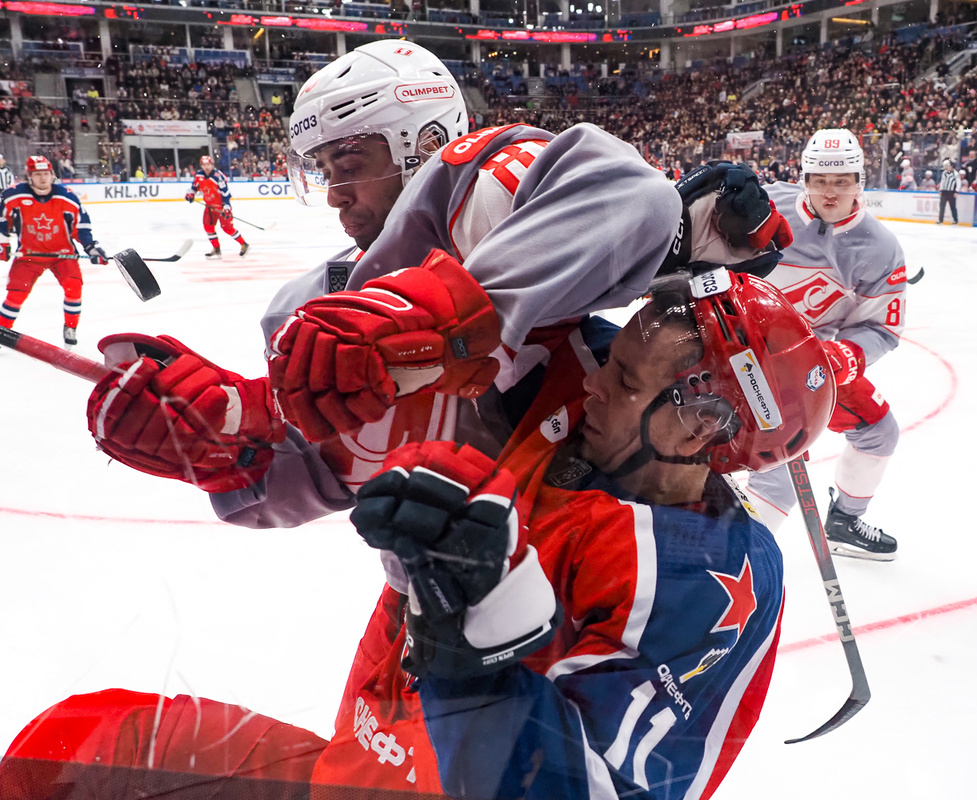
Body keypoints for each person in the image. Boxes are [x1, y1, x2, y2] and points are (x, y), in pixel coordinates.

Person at [4, 269, 836, 800]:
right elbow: (566, 213)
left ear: (695, 429)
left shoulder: (708, 574)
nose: (596, 382)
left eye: (622, 379)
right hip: (354, 768)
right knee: (65, 752)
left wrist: (477, 645)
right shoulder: (573, 409)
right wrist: (243, 418)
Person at [83, 39, 791, 530]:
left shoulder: (475, 186)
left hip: (606, 593)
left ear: (420, 142)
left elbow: (623, 200)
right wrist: (234, 440)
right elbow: (338, 478)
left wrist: (696, 237)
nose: (335, 194)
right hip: (447, 626)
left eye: (349, 161)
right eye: (323, 169)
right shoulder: (311, 312)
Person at [750, 129, 905, 560]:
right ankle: (732, 565)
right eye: (820, 179)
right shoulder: (765, 206)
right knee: (776, 481)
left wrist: (846, 356)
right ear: (804, 178)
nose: (830, 191)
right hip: (736, 353)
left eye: (841, 181)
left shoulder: (879, 248)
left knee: (878, 432)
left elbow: (881, 328)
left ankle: (844, 522)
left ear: (860, 180)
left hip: (809, 366)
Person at [0, 155, 106, 346]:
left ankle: (71, 328)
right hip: (29, 255)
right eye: (37, 174)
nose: (42, 178)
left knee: (73, 288)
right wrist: (3, 244)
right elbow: (2, 221)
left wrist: (91, 247)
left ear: (52, 175)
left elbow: (81, 226)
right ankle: (1, 331)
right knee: (15, 294)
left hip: (63, 255)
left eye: (46, 173)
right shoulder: (14, 195)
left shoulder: (67, 197)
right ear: (29, 176)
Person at [185, 154, 249, 259]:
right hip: (209, 207)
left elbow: (226, 193)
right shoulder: (199, 175)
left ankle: (243, 244)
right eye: (204, 164)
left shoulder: (218, 177)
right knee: (208, 227)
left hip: (221, 207)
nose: (206, 167)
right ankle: (216, 248)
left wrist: (226, 207)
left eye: (208, 164)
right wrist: (191, 194)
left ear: (212, 164)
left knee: (227, 229)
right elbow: (194, 187)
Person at [938, 157, 960, 224]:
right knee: (942, 206)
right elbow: (942, 182)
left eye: (948, 166)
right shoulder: (944, 173)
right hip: (944, 191)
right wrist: (941, 190)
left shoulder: (955, 173)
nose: (946, 168)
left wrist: (956, 191)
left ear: (951, 166)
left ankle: (955, 220)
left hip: (951, 192)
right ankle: (940, 220)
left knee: (952, 206)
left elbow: (958, 183)